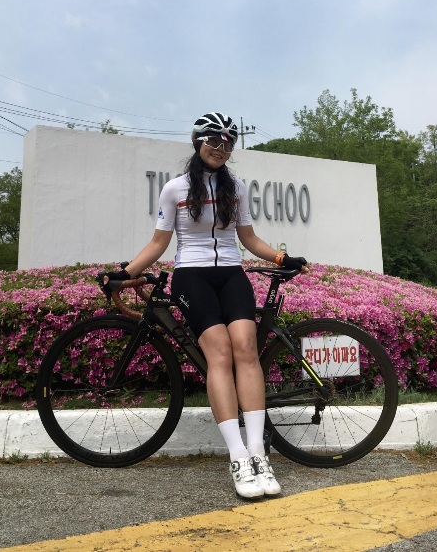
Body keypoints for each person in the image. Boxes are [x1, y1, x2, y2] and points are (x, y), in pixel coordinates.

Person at [107, 113, 308, 499]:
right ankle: (237, 457)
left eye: (228, 142)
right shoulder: (175, 189)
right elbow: (159, 243)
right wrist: (125, 273)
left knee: (246, 350)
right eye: (214, 141)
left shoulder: (237, 187)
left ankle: (257, 454)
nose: (221, 148)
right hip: (192, 276)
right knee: (219, 354)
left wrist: (282, 258)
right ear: (198, 143)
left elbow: (248, 238)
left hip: (232, 274)